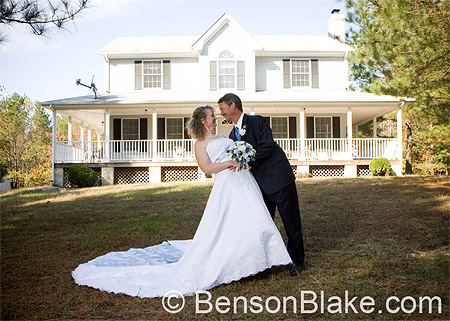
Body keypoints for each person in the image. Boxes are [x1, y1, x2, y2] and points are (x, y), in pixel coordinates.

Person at [71, 106, 292, 298]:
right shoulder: (200, 143)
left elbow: (237, 155)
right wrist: (228, 164)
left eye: (215, 115)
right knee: (230, 223)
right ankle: (238, 263)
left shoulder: (226, 137)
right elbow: (206, 169)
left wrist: (241, 159)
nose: (216, 118)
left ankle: (261, 260)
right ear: (203, 121)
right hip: (228, 184)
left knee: (252, 219)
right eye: (212, 116)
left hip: (244, 180)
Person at [218, 93, 305, 276]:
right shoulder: (232, 134)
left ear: (233, 106)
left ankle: (297, 259)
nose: (221, 113)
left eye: (223, 109)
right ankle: (266, 260)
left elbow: (268, 146)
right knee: (264, 222)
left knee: (290, 221)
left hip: (278, 177)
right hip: (258, 185)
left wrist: (247, 160)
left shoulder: (257, 122)